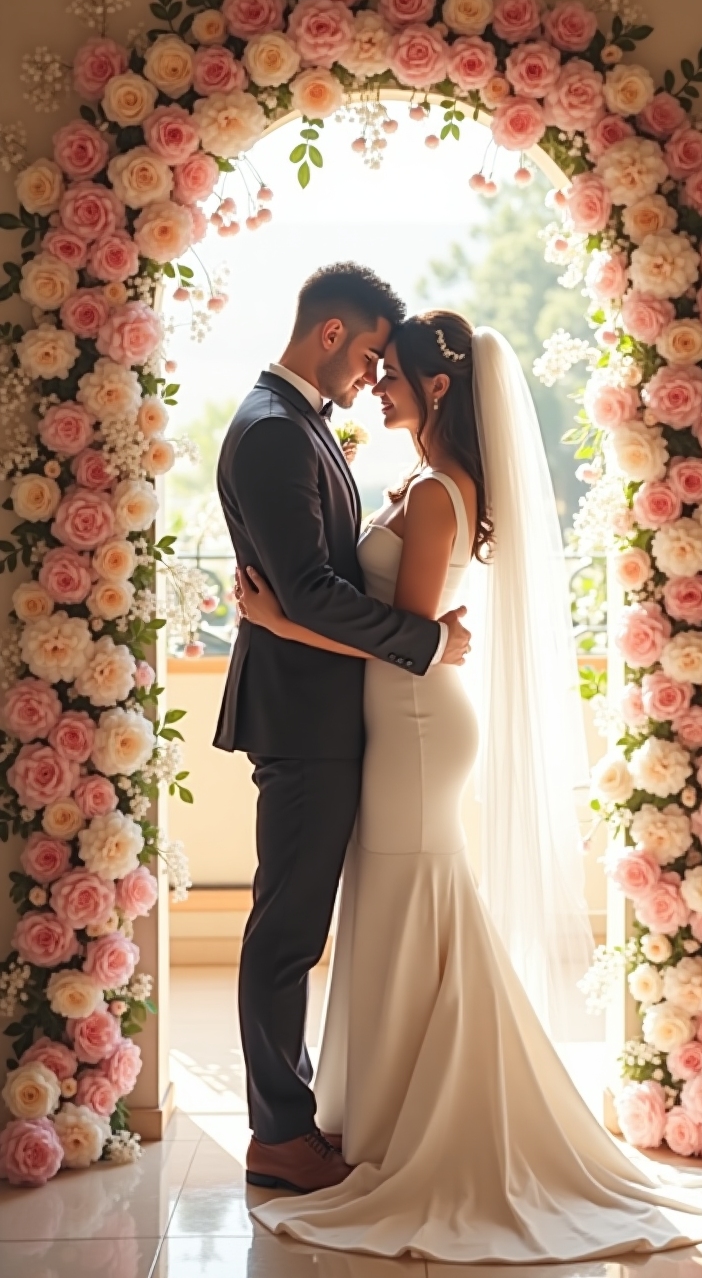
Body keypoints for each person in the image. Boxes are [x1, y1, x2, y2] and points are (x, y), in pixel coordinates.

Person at [236, 311, 702, 1264]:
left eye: (391, 373)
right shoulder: (425, 485)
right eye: (376, 367)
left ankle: (429, 1123)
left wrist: (279, 623)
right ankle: (393, 1113)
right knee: (402, 906)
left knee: (415, 899)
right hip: (404, 721)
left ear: (439, 388)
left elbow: (398, 639)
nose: (379, 385)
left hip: (419, 726)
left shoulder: (438, 494)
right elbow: (404, 629)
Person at [214, 265, 471, 1196]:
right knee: (287, 931)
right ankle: (280, 1135)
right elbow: (312, 590)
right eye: (368, 354)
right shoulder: (276, 433)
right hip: (305, 718)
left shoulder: (292, 425)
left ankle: (298, 1118)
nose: (372, 376)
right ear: (330, 333)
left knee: (298, 924)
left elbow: (315, 589)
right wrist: (425, 640)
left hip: (329, 707)